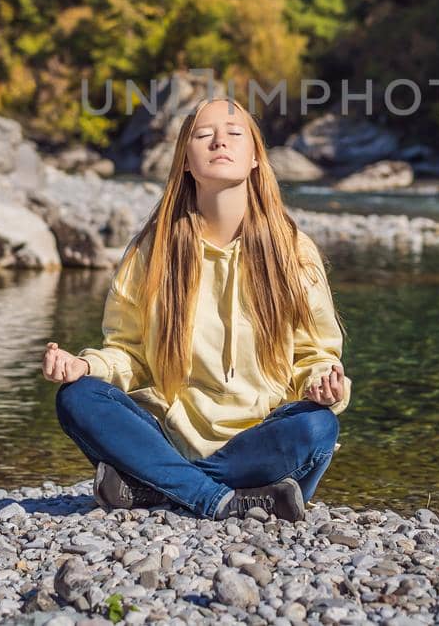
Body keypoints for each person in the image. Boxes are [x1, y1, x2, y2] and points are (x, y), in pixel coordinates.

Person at [44, 95, 351, 522]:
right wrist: (86, 367)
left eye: (234, 134)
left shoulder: (293, 251)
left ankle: (155, 487)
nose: (219, 142)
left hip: (259, 442)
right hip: (169, 437)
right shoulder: (151, 251)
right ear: (185, 161)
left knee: (318, 427)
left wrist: (325, 386)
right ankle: (228, 499)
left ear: (256, 158)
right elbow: (128, 354)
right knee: (78, 398)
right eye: (204, 135)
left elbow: (316, 355)